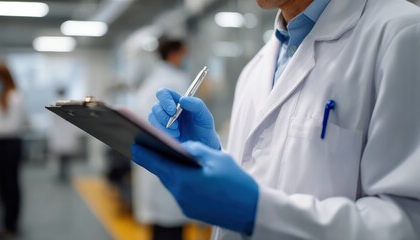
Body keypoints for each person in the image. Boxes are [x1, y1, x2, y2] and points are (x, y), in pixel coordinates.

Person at [131, 0, 420, 239]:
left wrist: (257, 210)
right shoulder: (255, 69)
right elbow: (267, 171)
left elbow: (407, 223)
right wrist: (212, 156)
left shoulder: (402, 34)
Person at [132, 38, 190, 240]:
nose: (185, 59)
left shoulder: (151, 81)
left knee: (159, 228)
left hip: (152, 161)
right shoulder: (176, 80)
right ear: (174, 54)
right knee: (171, 228)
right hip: (170, 160)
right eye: (184, 54)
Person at [0, 64, 26, 238]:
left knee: (11, 187)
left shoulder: (14, 97)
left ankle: (11, 225)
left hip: (11, 145)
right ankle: (7, 222)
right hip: (2, 145)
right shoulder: (2, 96)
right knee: (3, 186)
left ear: (2, 77)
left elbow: (11, 126)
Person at [48, 87, 82, 182]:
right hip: (65, 134)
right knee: (66, 157)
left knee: (62, 157)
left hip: (62, 134)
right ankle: (64, 173)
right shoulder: (70, 103)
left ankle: (63, 173)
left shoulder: (54, 103)